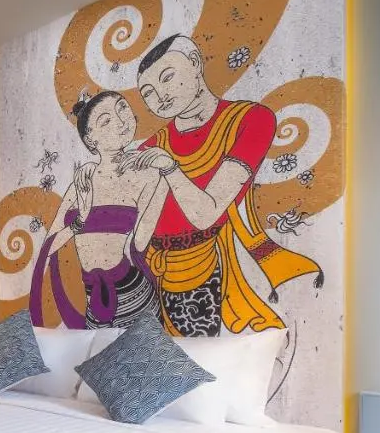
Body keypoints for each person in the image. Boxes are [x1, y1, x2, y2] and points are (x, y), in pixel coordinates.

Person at [123, 34, 322, 336]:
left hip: (205, 271)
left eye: (167, 77)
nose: (160, 96)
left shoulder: (249, 120)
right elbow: (134, 233)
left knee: (197, 356)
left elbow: (206, 213)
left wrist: (170, 169)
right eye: (148, 93)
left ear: (194, 62)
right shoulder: (151, 147)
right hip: (152, 278)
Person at [29, 91, 160, 328]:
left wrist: (161, 174)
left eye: (122, 108)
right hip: (93, 300)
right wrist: (81, 219)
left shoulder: (147, 175)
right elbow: (49, 246)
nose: (120, 121)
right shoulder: (81, 182)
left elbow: (140, 244)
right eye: (106, 120)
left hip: (133, 294)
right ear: (91, 140)